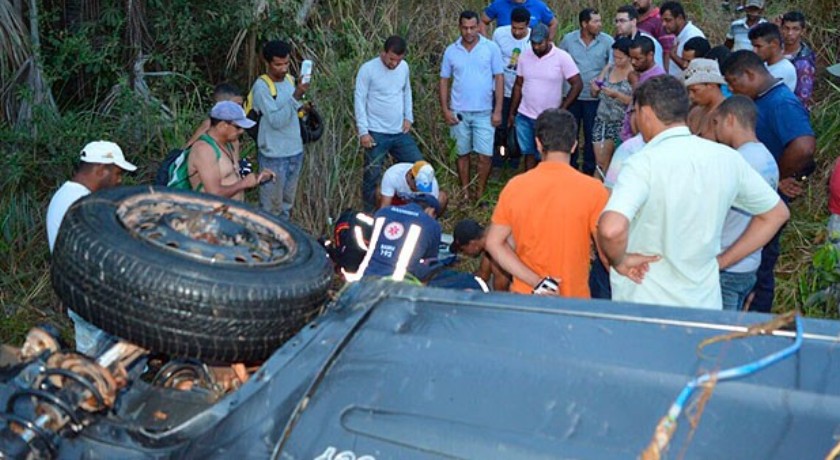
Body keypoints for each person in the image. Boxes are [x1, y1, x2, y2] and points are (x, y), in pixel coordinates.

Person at [597, 75, 789, 309]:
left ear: (646, 113)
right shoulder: (727, 159)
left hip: (644, 298)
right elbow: (777, 214)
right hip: (703, 301)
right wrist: (722, 262)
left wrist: (620, 260)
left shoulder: (641, 163)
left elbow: (611, 229)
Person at [721, 50, 815, 312]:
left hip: (765, 202)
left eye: (732, 82)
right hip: (756, 200)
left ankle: (757, 327)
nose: (730, 89)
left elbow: (804, 146)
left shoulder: (781, 102)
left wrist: (782, 177)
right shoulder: (762, 98)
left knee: (761, 264)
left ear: (750, 74)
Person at [486, 109, 609, 297]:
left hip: (527, 294)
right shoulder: (594, 190)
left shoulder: (516, 186)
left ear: (538, 143)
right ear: (574, 145)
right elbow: (606, 252)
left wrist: (537, 281)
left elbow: (494, 243)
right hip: (573, 299)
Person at [46, 141, 137, 355]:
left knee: (90, 359)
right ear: (100, 169)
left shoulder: (64, 195)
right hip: (95, 295)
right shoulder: (82, 203)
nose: (118, 180)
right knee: (119, 363)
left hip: (77, 292)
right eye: (116, 173)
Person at [711, 95, 779, 310]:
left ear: (729, 120)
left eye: (716, 123)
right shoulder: (767, 157)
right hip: (749, 263)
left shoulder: (739, 162)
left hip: (727, 261)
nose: (715, 130)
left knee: (719, 336)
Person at [440, 10, 504, 202]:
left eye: (472, 27)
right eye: (464, 28)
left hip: (484, 112)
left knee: (485, 155)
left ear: (478, 27)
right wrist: (445, 109)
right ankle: (466, 192)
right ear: (459, 27)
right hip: (459, 112)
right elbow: (444, 80)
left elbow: (499, 78)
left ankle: (480, 193)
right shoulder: (451, 51)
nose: (468, 32)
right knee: (462, 153)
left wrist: (498, 110)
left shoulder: (491, 48)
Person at [355, 36, 424, 212]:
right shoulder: (368, 69)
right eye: (391, 59)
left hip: (400, 131)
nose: (394, 64)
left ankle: (416, 210)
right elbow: (360, 99)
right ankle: (370, 213)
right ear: (383, 53)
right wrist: (363, 131)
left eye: (398, 60)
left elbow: (406, 91)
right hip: (376, 132)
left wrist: (409, 117)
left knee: (419, 167)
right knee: (372, 175)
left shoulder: (404, 67)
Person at [509, 23, 582, 172]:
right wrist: (512, 111)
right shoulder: (524, 55)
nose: (536, 47)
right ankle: (530, 183)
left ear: (548, 40)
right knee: (528, 153)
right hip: (525, 114)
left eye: (540, 43)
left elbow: (577, 84)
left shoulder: (562, 57)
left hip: (549, 118)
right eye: (533, 43)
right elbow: (518, 84)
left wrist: (563, 108)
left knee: (545, 155)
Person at [251, 40, 309, 219]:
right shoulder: (262, 87)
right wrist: (296, 96)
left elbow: (294, 113)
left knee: (286, 206)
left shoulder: (291, 80)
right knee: (270, 210)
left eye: (286, 63)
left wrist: (305, 109)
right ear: (267, 63)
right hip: (273, 155)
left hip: (295, 152)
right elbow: (276, 120)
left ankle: (282, 241)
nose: (283, 68)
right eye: (278, 64)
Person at [560, 8, 614, 175]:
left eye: (599, 21)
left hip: (594, 99)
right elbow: (560, 63)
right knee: (571, 133)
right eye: (595, 21)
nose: (600, 24)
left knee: (592, 135)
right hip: (572, 97)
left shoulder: (607, 41)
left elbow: (611, 66)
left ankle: (590, 170)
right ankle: (571, 169)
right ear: (584, 24)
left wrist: (600, 83)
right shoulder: (569, 40)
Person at [187, 101, 274, 200]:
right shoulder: (204, 150)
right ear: (222, 125)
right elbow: (213, 194)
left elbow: (231, 178)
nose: (241, 131)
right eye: (238, 127)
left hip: (229, 212)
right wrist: (244, 183)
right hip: (212, 214)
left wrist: (257, 178)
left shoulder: (228, 144)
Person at [356, 193, 442, 282]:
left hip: (365, 277)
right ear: (431, 210)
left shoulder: (383, 212)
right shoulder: (431, 224)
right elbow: (429, 261)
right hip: (397, 284)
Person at [491, 7, 531, 171]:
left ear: (527, 25)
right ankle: (498, 161)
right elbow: (493, 59)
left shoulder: (532, 39)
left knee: (517, 127)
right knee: (499, 127)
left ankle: (514, 162)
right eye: (514, 27)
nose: (517, 31)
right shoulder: (500, 34)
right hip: (500, 89)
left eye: (521, 28)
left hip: (523, 92)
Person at [590, 38, 635, 175]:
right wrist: (595, 87)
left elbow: (636, 101)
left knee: (618, 164)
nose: (616, 60)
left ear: (629, 57)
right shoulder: (609, 69)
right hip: (603, 120)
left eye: (620, 58)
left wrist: (616, 95)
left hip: (622, 123)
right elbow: (595, 92)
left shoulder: (633, 75)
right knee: (601, 162)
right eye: (614, 57)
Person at [619, 36, 665, 141]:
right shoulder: (637, 73)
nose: (633, 62)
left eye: (638, 58)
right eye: (631, 58)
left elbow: (645, 110)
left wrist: (635, 83)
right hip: (627, 135)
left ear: (650, 55)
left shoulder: (657, 79)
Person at [449, 219, 511, 291]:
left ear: (472, 244)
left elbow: (502, 287)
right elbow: (483, 275)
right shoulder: (488, 238)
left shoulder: (496, 248)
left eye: (462, 250)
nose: (464, 254)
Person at [184, 83, 244, 149]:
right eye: (236, 105)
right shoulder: (209, 124)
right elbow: (188, 147)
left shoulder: (233, 134)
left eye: (241, 105)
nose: (240, 109)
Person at [682, 58, 726, 140]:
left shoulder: (727, 113)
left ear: (711, 85)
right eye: (689, 91)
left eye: (695, 90)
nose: (691, 96)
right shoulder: (694, 112)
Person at [378, 161, 448, 211]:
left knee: (442, 198)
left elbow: (429, 209)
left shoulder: (432, 184)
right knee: (379, 192)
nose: (418, 190)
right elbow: (384, 206)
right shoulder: (393, 174)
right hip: (398, 201)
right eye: (416, 185)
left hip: (418, 205)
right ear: (409, 175)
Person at [780, 11, 816, 109]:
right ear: (781, 28)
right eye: (786, 28)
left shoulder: (804, 62)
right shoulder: (776, 48)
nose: (790, 33)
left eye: (795, 29)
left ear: (802, 31)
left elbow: (802, 97)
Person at [660, 1, 706, 77]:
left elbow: (696, 69)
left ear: (680, 18)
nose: (663, 24)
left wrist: (674, 56)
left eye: (668, 20)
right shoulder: (678, 34)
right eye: (662, 21)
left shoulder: (693, 36)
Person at [749, 23, 797, 93]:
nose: (754, 51)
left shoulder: (784, 70)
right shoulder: (764, 64)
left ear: (774, 44)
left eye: (758, 46)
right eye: (753, 46)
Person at [614, 5, 663, 70]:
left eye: (622, 21)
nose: (617, 25)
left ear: (634, 22)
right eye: (616, 21)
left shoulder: (649, 42)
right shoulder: (617, 41)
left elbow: (658, 69)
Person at [480, 0, 558, 40]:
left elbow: (553, 23)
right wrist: (486, 43)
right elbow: (483, 21)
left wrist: (546, 42)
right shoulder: (498, 4)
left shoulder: (538, 5)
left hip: (529, 52)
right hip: (503, 53)